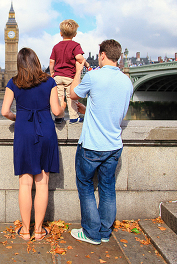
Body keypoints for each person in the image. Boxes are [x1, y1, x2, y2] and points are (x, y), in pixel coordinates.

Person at [69, 39, 133, 245]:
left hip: (92, 146)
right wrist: (88, 111)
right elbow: (112, 112)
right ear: (119, 57)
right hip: (114, 146)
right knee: (107, 188)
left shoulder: (94, 76)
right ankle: (105, 232)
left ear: (103, 55)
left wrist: (78, 70)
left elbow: (73, 93)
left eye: (99, 55)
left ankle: (91, 233)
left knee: (86, 186)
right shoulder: (126, 82)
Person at [1, 47, 65, 241]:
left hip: (24, 132)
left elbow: (5, 111)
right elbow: (56, 112)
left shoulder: (14, 82)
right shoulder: (49, 82)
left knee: (25, 183)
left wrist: (17, 117)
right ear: (36, 62)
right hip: (45, 132)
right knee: (42, 182)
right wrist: (62, 106)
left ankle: (25, 231)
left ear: (19, 64)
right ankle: (38, 230)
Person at [49, 19, 90, 124]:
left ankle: (58, 117)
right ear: (75, 34)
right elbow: (79, 57)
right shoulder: (75, 45)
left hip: (57, 77)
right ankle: (74, 117)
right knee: (71, 97)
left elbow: (51, 62)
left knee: (58, 96)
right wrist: (86, 64)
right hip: (70, 77)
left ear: (60, 33)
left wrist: (52, 73)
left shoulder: (56, 47)